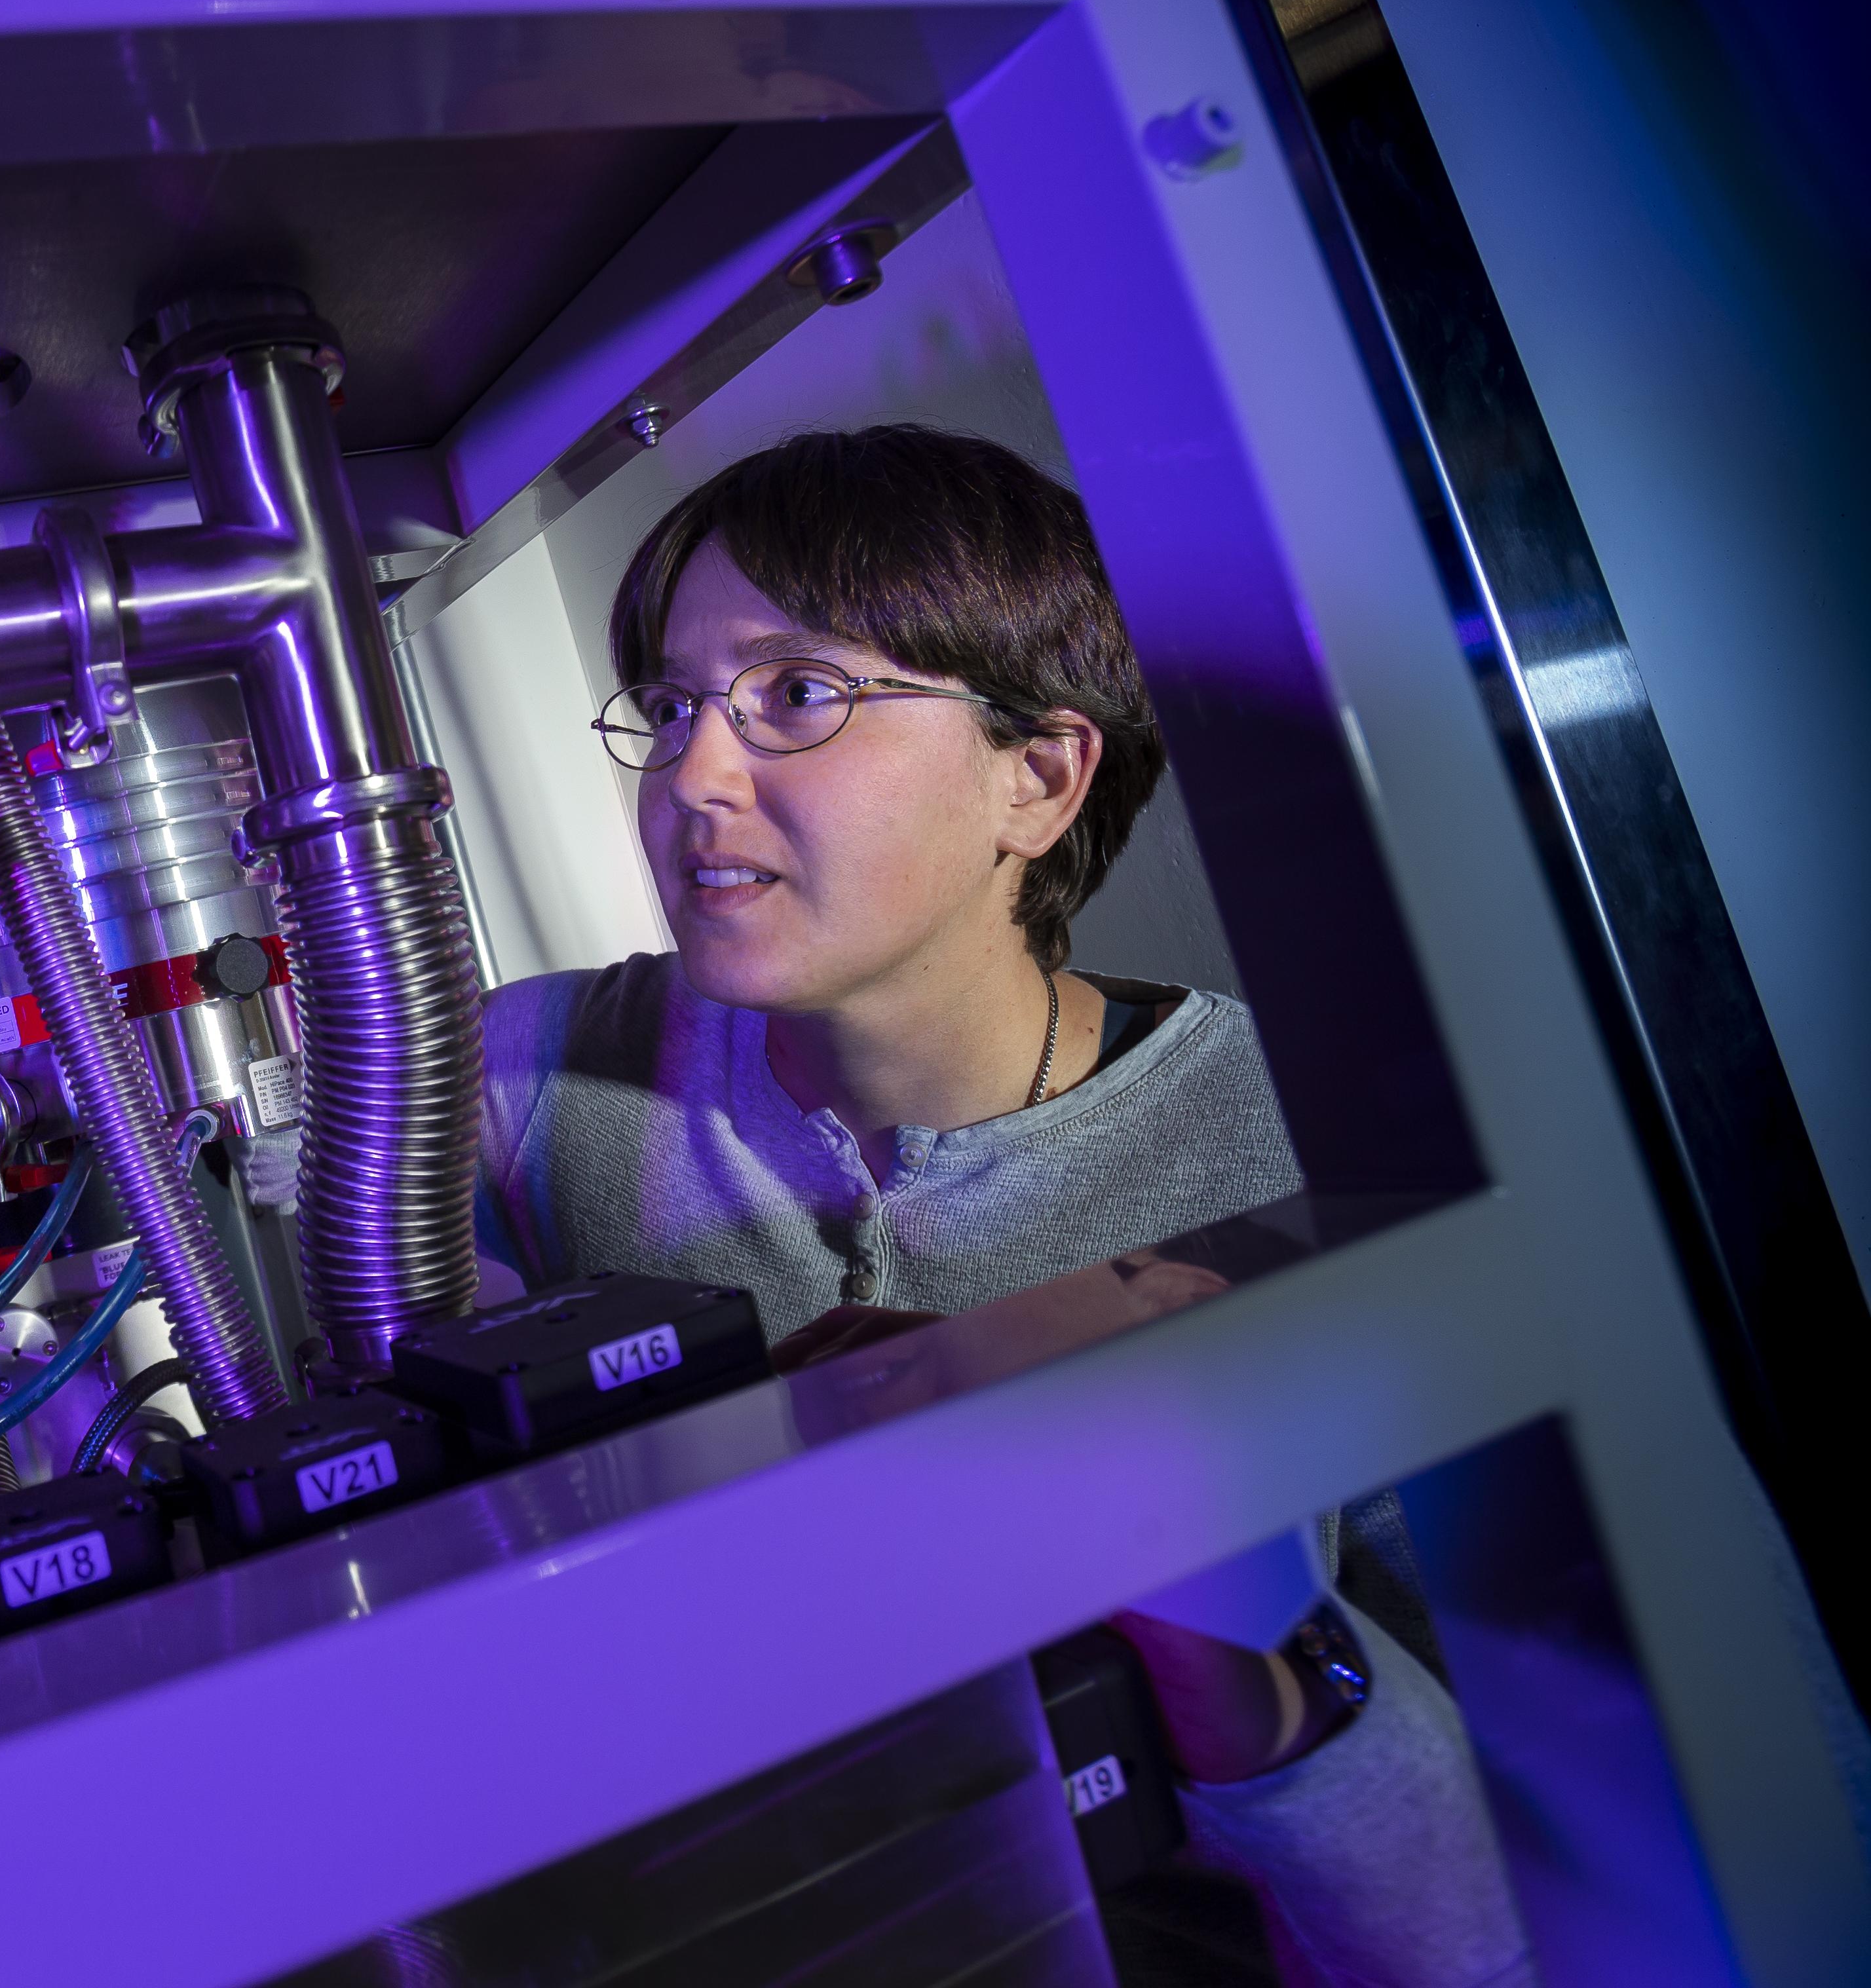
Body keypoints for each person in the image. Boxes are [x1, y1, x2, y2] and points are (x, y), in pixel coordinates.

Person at [474, 426, 1529, 1987]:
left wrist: (1190, 1593)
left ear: (1037, 777)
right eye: (676, 704)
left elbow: (1538, 1905)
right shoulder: (536, 1081)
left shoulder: (1313, 1159)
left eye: (799, 694)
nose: (695, 774)